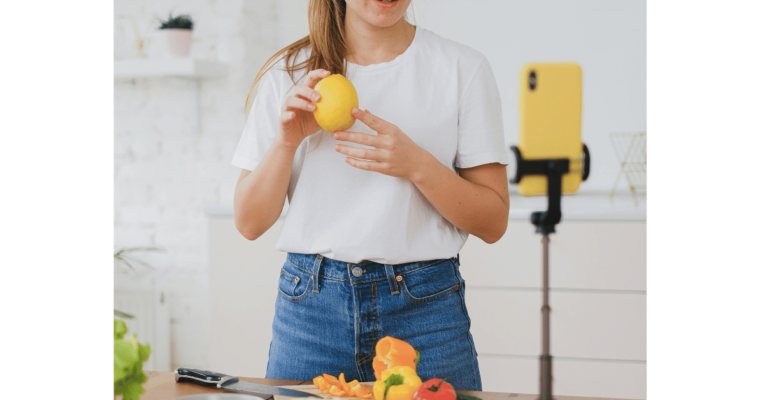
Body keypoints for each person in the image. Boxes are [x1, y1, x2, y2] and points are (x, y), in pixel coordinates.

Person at [232, 0, 509, 391]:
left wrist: (418, 165)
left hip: (426, 313)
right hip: (311, 314)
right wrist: (286, 141)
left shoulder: (462, 68)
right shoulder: (289, 75)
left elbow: (493, 221)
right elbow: (248, 222)